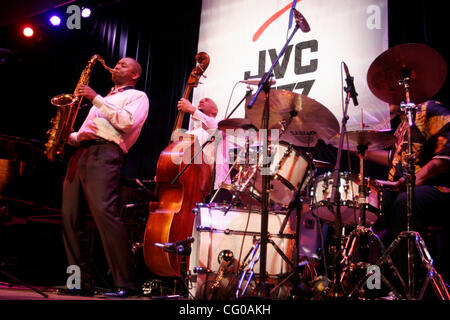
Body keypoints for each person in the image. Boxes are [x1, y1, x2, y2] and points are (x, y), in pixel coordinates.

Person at [61, 57, 149, 297]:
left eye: (124, 65)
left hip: (105, 153)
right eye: (117, 63)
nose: (117, 66)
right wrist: (66, 135)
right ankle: (77, 282)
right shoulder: (106, 98)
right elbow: (89, 132)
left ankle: (127, 284)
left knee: (105, 215)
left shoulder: (137, 97)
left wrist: (94, 97)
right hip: (82, 153)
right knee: (70, 218)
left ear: (135, 75)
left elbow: (126, 123)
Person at [366, 100, 450, 292]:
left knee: (405, 203)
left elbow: (446, 155)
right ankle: (373, 286)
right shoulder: (404, 124)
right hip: (408, 190)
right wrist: (356, 148)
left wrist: (412, 181)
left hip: (439, 189)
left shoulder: (431, 109)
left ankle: (408, 289)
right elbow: (394, 161)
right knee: (369, 208)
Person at [176, 97, 230, 194]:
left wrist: (193, 110)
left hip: (217, 186)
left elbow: (212, 126)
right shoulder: (189, 133)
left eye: (207, 100)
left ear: (214, 111)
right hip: (193, 184)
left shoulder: (222, 123)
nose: (203, 100)